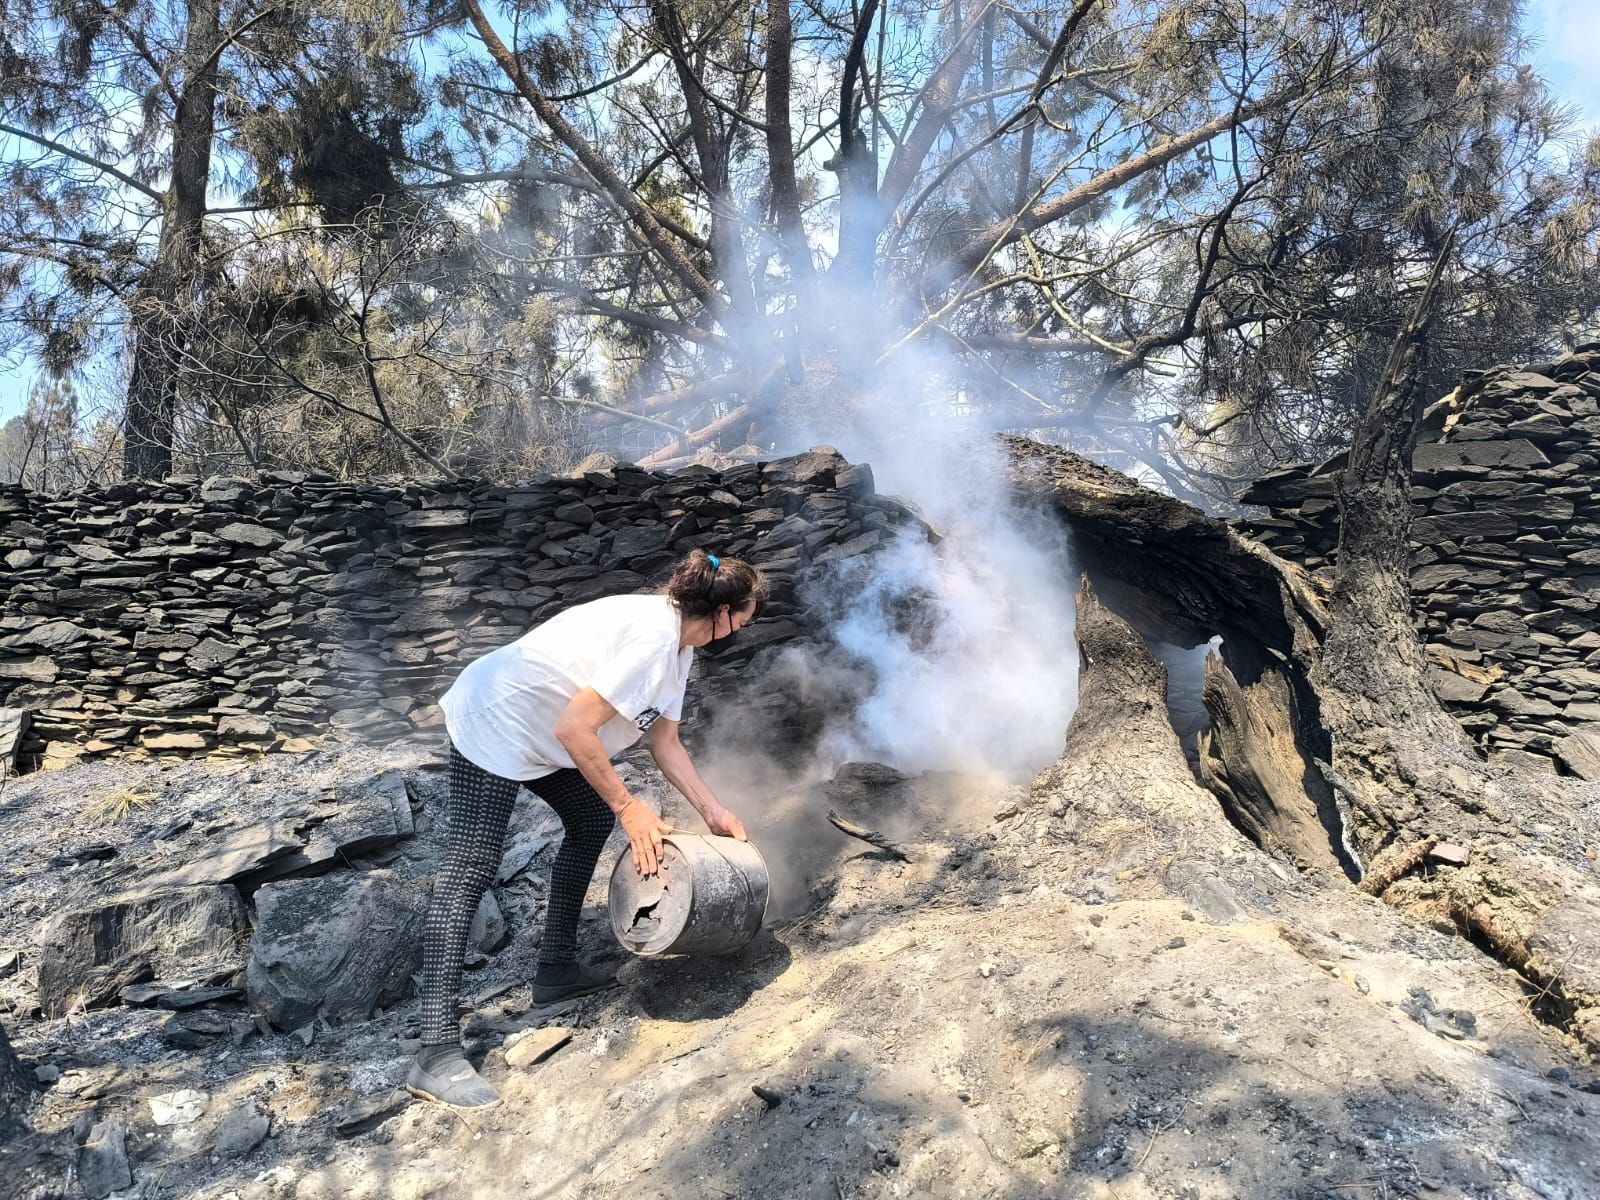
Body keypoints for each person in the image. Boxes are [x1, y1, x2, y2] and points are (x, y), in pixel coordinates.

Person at [404, 549, 769, 1109]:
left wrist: (713, 811)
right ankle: (435, 1053)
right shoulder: (652, 637)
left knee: (589, 815)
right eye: (744, 618)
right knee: (471, 866)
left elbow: (664, 742)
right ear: (720, 611)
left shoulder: (679, 649)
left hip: (542, 736)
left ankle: (555, 971)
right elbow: (576, 728)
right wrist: (631, 808)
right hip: (497, 719)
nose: (743, 629)